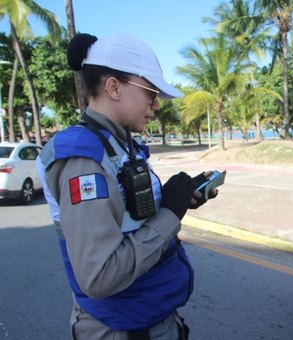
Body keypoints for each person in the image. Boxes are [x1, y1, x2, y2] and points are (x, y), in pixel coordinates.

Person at [37, 33, 217, 340]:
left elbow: (127, 218)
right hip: (122, 328)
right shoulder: (84, 159)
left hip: (148, 317)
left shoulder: (119, 145)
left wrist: (177, 200)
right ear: (113, 87)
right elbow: (100, 275)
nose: (156, 105)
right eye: (150, 92)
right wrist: (170, 215)